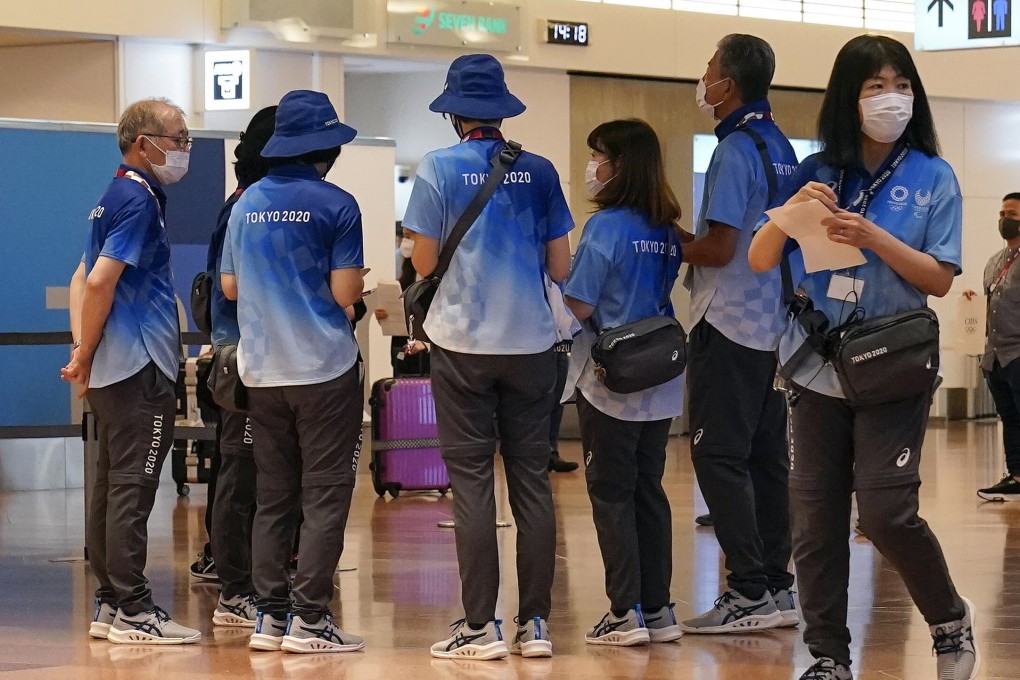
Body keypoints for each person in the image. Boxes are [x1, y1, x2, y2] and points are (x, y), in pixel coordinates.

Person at [748, 34, 977, 680]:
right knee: (816, 519)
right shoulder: (817, 170)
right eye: (875, 86)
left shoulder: (934, 176)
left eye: (901, 85)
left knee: (884, 511)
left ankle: (949, 620)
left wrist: (872, 236)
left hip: (895, 363)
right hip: (817, 366)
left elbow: (937, 277)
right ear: (848, 98)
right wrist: (788, 212)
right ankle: (827, 657)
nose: (891, 98)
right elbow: (762, 258)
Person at [402, 53, 573, 660]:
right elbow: (560, 268)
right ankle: (536, 626)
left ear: (452, 113)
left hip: (463, 347)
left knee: (472, 483)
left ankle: (480, 627)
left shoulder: (438, 169)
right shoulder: (543, 171)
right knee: (531, 482)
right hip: (532, 347)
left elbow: (423, 264)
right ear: (503, 111)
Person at [221, 89, 366, 654]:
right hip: (323, 369)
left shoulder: (247, 203)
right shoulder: (337, 204)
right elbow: (344, 292)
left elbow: (230, 288)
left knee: (274, 497)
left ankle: (269, 618)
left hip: (261, 372)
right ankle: (311, 621)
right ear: (325, 147)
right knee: (325, 495)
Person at [63, 97, 201, 645]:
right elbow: (98, 282)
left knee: (110, 485)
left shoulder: (112, 196)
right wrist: (84, 351)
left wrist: (82, 351)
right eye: (178, 137)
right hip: (138, 366)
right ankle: (134, 609)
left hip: (111, 370)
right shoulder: (137, 200)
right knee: (134, 487)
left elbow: (79, 277)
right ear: (144, 143)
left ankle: (109, 604)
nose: (184, 147)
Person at [678, 33, 800, 635]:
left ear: (727, 84)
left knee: (718, 452)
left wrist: (667, 234)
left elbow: (720, 247)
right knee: (766, 458)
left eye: (708, 68)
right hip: (773, 323)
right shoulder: (779, 145)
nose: (703, 78)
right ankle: (778, 586)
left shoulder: (734, 149)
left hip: (727, 319)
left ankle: (747, 590)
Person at [562, 118, 684, 646]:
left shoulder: (605, 228)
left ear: (621, 164)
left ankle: (623, 612)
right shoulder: (666, 227)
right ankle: (658, 609)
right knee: (648, 491)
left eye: (599, 156)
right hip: (659, 378)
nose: (593, 167)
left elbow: (581, 303)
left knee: (610, 493)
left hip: (610, 379)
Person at [203, 105, 278, 627]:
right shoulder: (248, 206)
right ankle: (234, 589)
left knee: (252, 472)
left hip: (259, 354)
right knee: (241, 472)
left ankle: (250, 578)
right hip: (242, 356)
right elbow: (233, 287)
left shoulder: (249, 201)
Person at [976, 193, 1020, 502]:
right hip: (995, 356)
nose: (1005, 219)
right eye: (1003, 213)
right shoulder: (994, 261)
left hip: (1019, 353)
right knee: (1009, 417)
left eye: (1013, 214)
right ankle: (1016, 474)